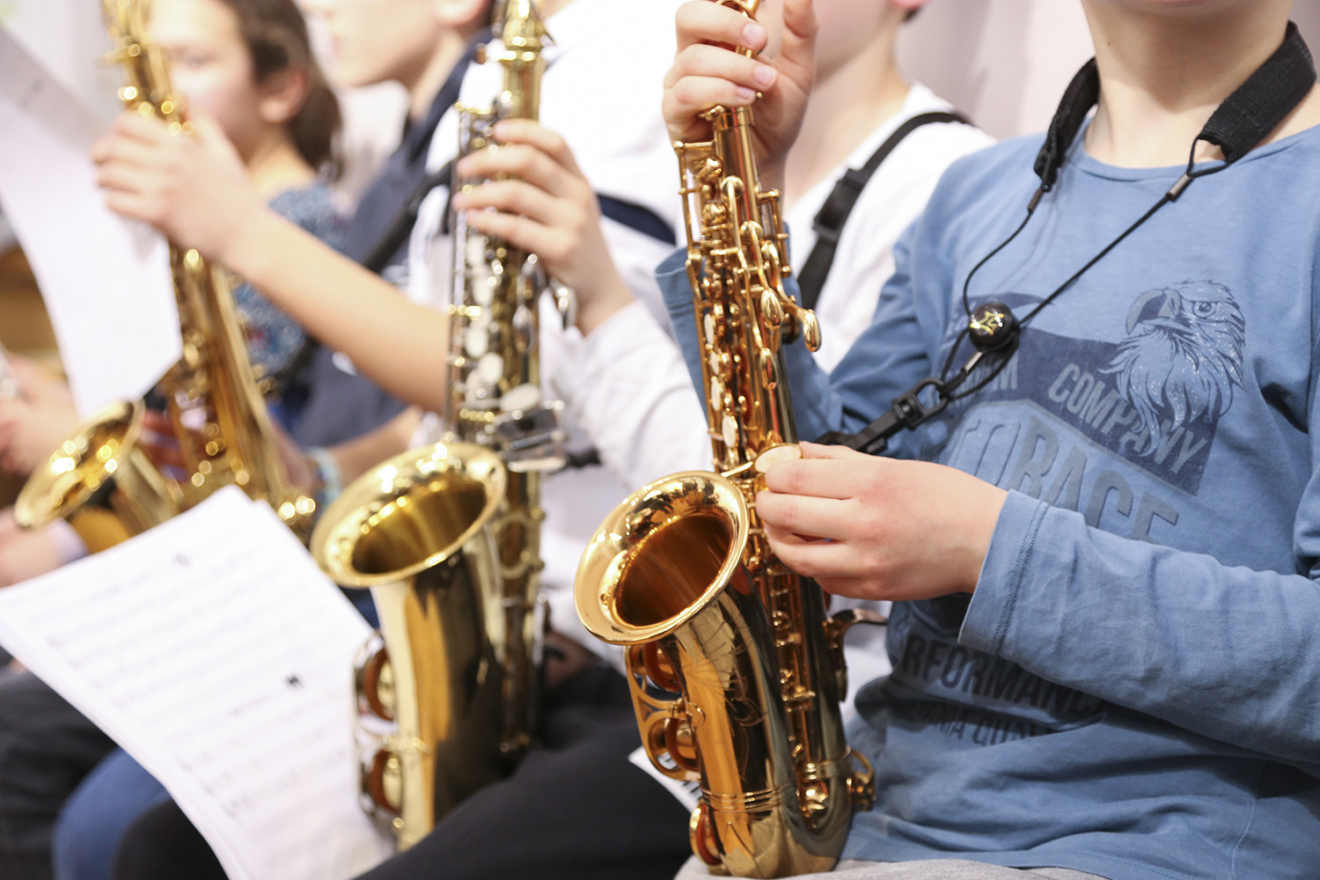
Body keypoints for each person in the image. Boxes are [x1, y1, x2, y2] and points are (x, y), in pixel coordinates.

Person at [646, 0, 1320, 878]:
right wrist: (752, 203)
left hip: (1145, 848)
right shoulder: (969, 198)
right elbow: (814, 504)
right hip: (875, 818)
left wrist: (989, 551)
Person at [0, 2, 353, 878]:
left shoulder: (295, 221)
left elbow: (228, 421)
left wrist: (68, 427)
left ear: (282, 87)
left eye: (194, 63)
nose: (159, 99)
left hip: (248, 554)